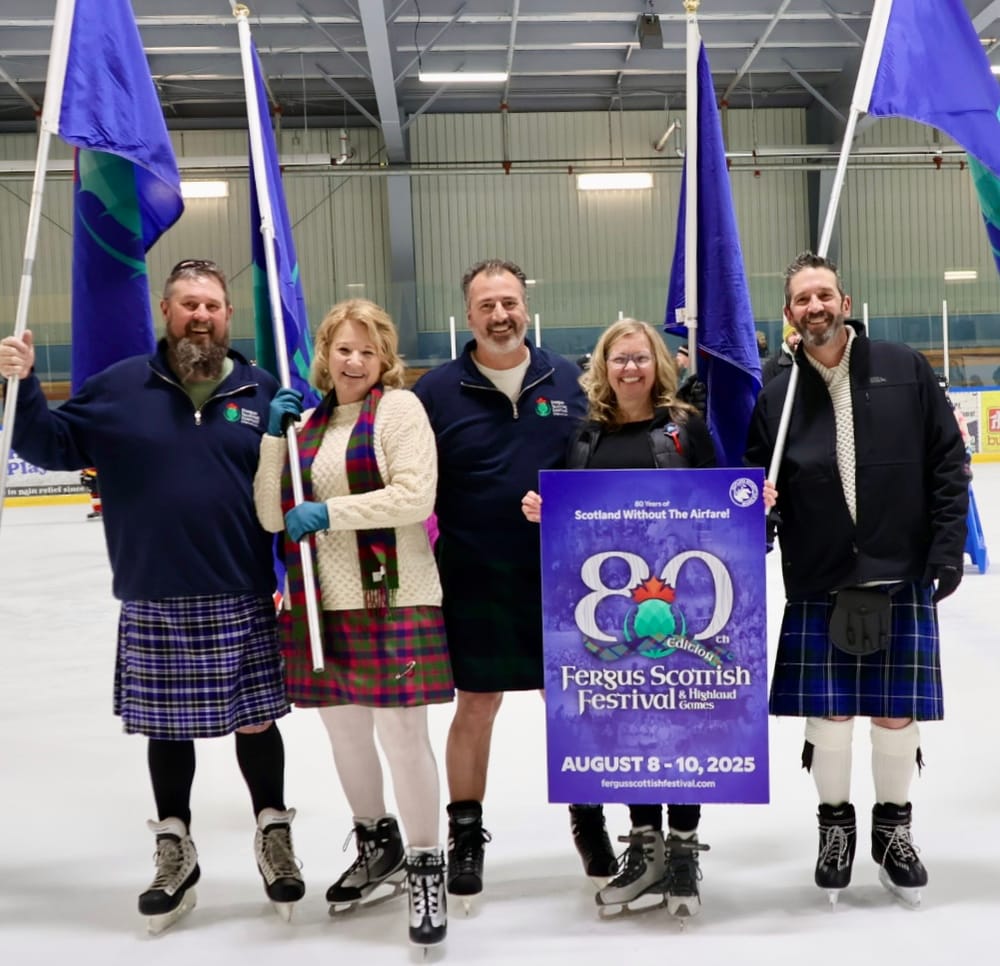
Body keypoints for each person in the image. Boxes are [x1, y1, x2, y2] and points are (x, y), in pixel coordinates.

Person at [0, 259, 304, 932]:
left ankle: (274, 834)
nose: (201, 316)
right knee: (167, 728)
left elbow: (299, 484)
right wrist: (20, 385)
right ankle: (175, 849)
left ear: (229, 316)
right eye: (189, 304)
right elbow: (50, 444)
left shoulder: (262, 390)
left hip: (242, 587)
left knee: (257, 722)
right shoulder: (118, 387)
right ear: (166, 311)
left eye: (213, 306)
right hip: (155, 591)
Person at [744, 251, 968, 908]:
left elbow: (947, 463)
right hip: (820, 573)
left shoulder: (904, 368)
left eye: (824, 295)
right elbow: (756, 488)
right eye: (802, 299)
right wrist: (759, 516)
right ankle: (835, 830)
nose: (814, 307)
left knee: (896, 714)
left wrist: (946, 550)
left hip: (899, 566)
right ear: (789, 314)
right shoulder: (778, 395)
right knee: (831, 714)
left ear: (845, 303)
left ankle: (893, 833)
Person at [253, 298, 453, 947]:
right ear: (325, 353)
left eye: (369, 350)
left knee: (402, 735)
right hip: (320, 603)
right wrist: (272, 440)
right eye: (344, 348)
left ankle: (425, 864)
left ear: (384, 357)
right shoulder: (305, 425)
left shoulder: (399, 409)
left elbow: (414, 496)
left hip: (392, 597)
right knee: (345, 737)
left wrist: (330, 514)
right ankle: (377, 844)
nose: (356, 360)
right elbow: (271, 515)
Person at [521, 319, 721, 918]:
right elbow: (571, 518)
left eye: (639, 358)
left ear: (657, 363)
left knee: (679, 720)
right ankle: (645, 846)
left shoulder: (685, 429)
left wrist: (749, 500)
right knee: (630, 721)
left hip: (678, 605)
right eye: (619, 359)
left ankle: (682, 847)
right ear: (602, 368)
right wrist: (543, 508)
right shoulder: (585, 435)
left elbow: (717, 501)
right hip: (610, 611)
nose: (629, 369)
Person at [412, 258, 587, 903]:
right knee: (477, 705)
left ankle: (589, 818)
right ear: (468, 314)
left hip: (563, 580)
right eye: (487, 305)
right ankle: (464, 834)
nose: (500, 315)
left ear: (525, 306)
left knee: (568, 702)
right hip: (473, 575)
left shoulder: (569, 380)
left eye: (509, 302)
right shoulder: (435, 392)